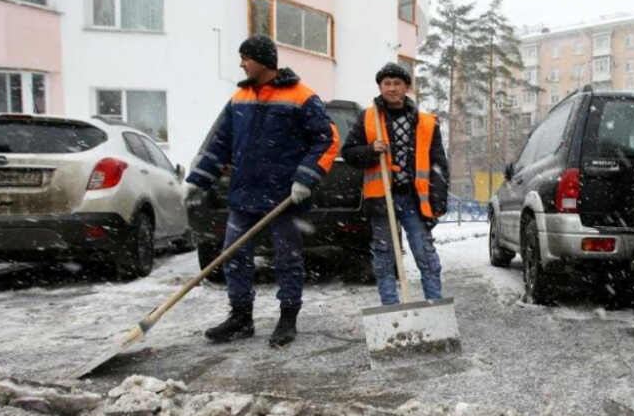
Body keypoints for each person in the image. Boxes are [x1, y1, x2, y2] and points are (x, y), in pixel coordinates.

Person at [185, 35, 336, 347]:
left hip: (284, 198)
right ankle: (241, 317)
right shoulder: (239, 98)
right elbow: (221, 142)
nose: (241, 64)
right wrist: (197, 179)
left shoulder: (302, 96)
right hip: (244, 195)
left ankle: (287, 317)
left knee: (287, 260)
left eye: (246, 58)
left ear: (264, 61)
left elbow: (327, 139)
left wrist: (304, 178)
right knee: (234, 255)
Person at [341, 62, 449, 305]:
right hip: (382, 200)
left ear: (407, 87)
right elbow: (348, 152)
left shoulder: (426, 123)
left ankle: (435, 306)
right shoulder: (368, 118)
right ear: (380, 87)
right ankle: (391, 309)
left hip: (414, 199)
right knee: (383, 256)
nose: (392, 88)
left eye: (397, 83)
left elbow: (438, 165)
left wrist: (439, 200)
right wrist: (370, 150)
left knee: (426, 255)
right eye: (387, 84)